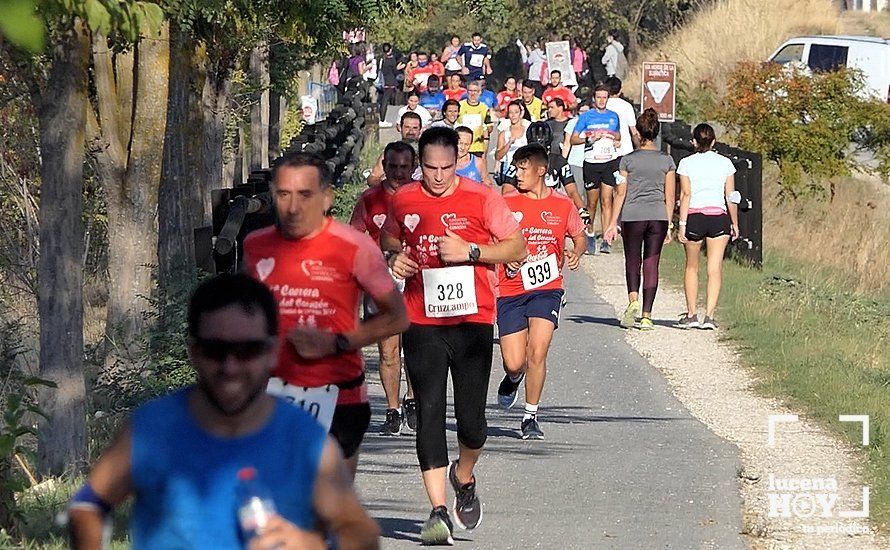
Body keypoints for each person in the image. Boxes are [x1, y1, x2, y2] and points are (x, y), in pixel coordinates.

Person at [68, 274, 381, 550]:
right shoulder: (151, 429)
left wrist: (316, 545)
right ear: (193, 352)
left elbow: (362, 534)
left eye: (247, 351)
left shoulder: (306, 442)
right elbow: (87, 506)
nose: (230, 367)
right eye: (215, 351)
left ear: (273, 352)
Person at [380, 127, 526, 544]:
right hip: (421, 319)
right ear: (419, 164)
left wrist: (472, 252)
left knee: (473, 424)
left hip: (472, 320)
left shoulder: (483, 198)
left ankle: (464, 476)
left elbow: (516, 249)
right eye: (430, 168)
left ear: (458, 161)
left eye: (446, 167)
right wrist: (395, 258)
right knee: (428, 413)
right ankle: (438, 510)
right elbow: (390, 238)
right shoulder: (404, 198)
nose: (438, 176)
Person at [243, 152, 410, 477]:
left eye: (305, 194)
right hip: (274, 392)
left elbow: (397, 317)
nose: (293, 206)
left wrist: (338, 342)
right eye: (283, 194)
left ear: (326, 197)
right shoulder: (256, 246)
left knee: (330, 502)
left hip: (340, 394)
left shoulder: (354, 247)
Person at [495, 144, 586, 439]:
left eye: (523, 168)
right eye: (516, 168)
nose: (517, 174)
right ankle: (513, 377)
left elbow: (579, 235)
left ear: (541, 170)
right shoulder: (506, 202)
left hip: (546, 288)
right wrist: (504, 255)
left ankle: (530, 416)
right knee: (514, 361)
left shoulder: (562, 205)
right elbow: (490, 238)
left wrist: (576, 252)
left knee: (538, 350)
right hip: (510, 288)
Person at [350, 142, 419, 436]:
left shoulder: (423, 196)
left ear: (414, 167)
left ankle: (413, 400)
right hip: (382, 281)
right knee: (389, 350)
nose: (398, 173)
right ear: (384, 166)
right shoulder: (370, 198)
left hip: (419, 279)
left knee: (416, 346)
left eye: (405, 167)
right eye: (393, 167)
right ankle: (392, 409)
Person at [603, 109, 676, 330]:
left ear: (639, 133)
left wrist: (612, 222)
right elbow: (670, 195)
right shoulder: (667, 161)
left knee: (633, 260)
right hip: (658, 216)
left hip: (633, 215)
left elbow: (621, 192)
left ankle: (633, 301)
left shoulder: (627, 161)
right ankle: (646, 315)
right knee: (651, 263)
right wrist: (670, 224)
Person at [676, 123, 740, 330]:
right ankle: (710, 316)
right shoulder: (725, 164)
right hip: (718, 217)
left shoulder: (686, 163)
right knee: (715, 267)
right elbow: (731, 196)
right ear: (713, 142)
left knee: (692, 266)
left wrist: (682, 224)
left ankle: (692, 313)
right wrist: (734, 223)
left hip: (694, 215)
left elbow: (685, 194)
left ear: (694, 142)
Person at [570, 84, 621, 255]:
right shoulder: (586, 117)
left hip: (609, 161)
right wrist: (589, 139)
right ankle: (589, 234)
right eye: (598, 97)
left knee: (607, 200)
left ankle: (607, 239)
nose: (601, 100)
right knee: (592, 203)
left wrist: (616, 140)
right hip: (591, 163)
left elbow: (618, 135)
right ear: (594, 98)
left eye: (604, 97)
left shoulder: (614, 117)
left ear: (608, 98)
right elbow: (573, 139)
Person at [367, 112, 423, 186]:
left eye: (415, 128)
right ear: (400, 128)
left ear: (420, 130)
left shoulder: (426, 152)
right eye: (407, 127)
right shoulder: (392, 152)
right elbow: (373, 177)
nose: (411, 132)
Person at [495, 100, 531, 183]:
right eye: (511, 112)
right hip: (508, 172)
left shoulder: (528, 131)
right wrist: (508, 144)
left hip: (525, 172)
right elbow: (498, 156)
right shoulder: (504, 134)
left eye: (516, 112)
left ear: (520, 113)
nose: (513, 115)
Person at [605, 76, 639, 155]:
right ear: (620, 90)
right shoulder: (627, 106)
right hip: (625, 150)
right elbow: (633, 131)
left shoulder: (602, 106)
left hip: (606, 152)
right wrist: (638, 147)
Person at [458, 80, 492, 157]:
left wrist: (484, 127)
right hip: (461, 148)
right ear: (467, 92)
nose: (473, 93)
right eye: (470, 91)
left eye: (475, 91)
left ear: (479, 92)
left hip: (478, 148)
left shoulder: (484, 108)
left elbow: (490, 128)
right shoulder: (460, 106)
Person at [378, 43, 405, 128]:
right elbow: (395, 71)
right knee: (385, 101)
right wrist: (399, 68)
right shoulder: (391, 59)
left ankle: (382, 118)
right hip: (390, 82)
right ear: (391, 49)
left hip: (383, 81)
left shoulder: (382, 59)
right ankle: (382, 120)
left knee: (382, 100)